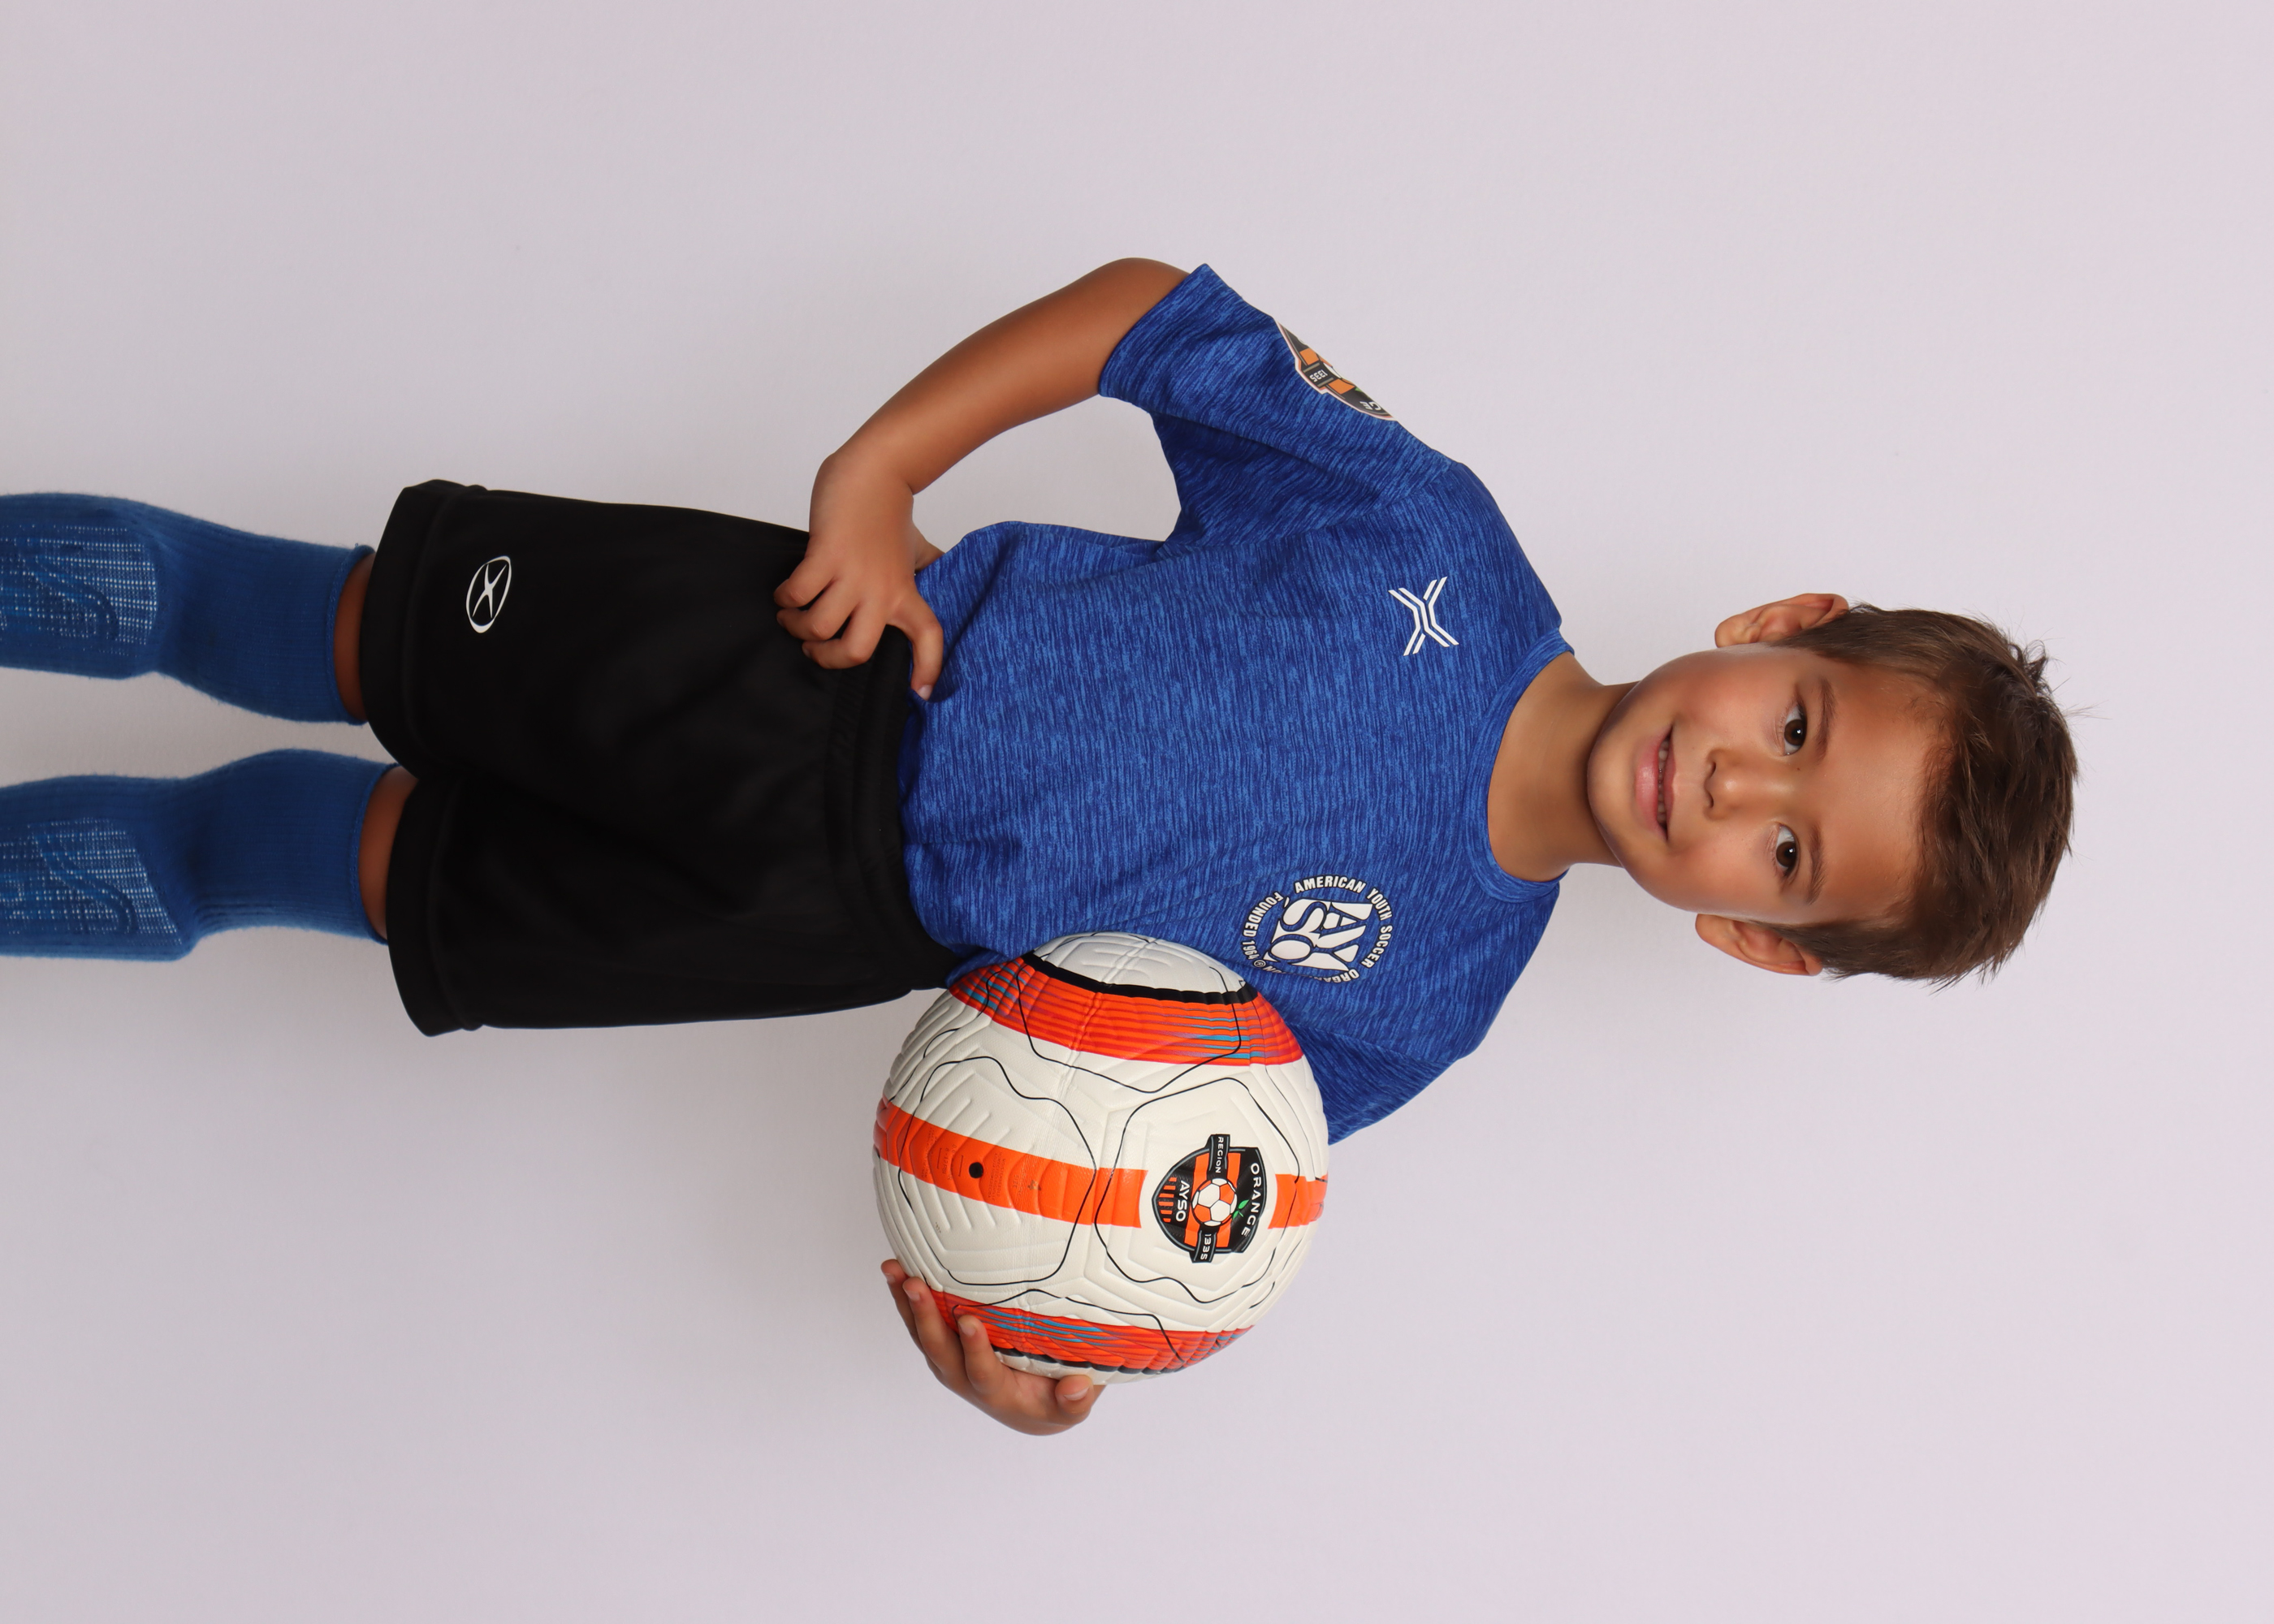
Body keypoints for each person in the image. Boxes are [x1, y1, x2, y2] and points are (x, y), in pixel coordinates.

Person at [0, 259, 2077, 1435]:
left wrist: (1057, 1346)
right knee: (302, 620)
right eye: (1793, 730)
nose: (1734, 792)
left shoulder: (1429, 1003)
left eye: (1789, 856)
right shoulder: (1426, 532)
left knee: (302, 861)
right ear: (1780, 628)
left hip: (818, 919)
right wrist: (877, 474)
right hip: (809, 655)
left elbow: (1160, 1168)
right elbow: (1151, 313)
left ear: (1759, 942)